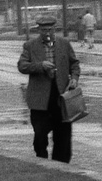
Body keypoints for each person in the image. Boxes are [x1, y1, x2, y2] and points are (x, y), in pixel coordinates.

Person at [17, 12, 80, 163]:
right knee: (40, 133)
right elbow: (22, 66)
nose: (47, 33)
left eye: (50, 30)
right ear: (38, 30)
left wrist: (75, 79)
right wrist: (40, 66)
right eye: (44, 30)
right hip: (39, 98)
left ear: (55, 29)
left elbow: (75, 64)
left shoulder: (64, 44)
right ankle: (42, 159)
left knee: (63, 133)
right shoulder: (30, 46)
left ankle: (61, 163)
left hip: (61, 96)